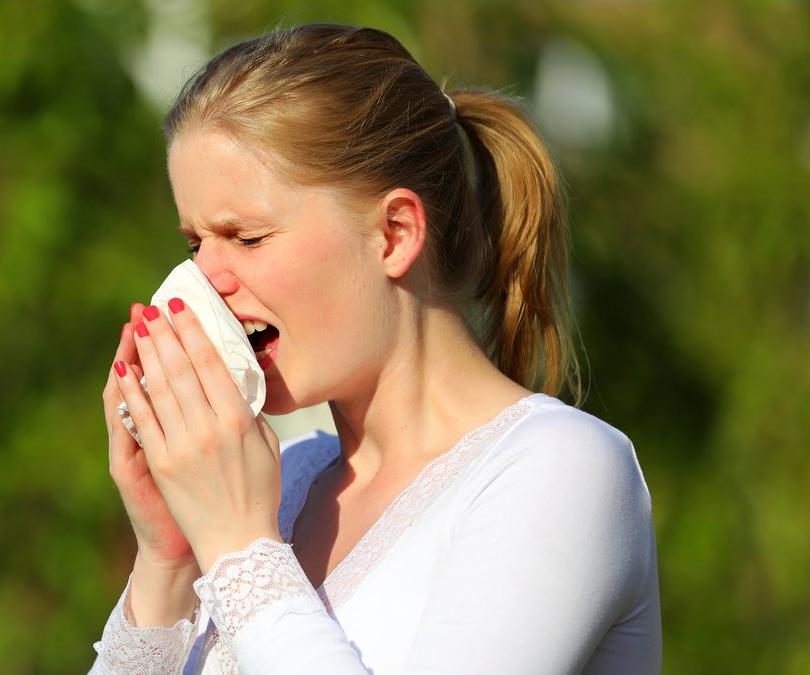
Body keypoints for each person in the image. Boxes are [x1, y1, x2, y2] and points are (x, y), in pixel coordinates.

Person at [90, 23, 661, 675]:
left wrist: (238, 545)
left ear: (393, 234)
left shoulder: (559, 469)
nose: (203, 285)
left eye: (245, 238)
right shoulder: (285, 483)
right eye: (196, 244)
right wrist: (170, 556)